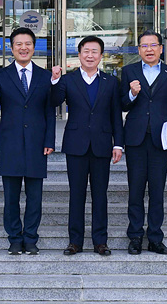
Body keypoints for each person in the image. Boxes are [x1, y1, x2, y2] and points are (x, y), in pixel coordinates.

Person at [0, 26, 64, 255]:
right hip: (9, 143)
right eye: (19, 44)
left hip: (36, 143)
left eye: (28, 44)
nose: (23, 48)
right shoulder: (1, 75)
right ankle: (14, 238)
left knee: (35, 197)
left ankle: (31, 237)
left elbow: (50, 110)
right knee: (11, 197)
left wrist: (49, 140)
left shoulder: (44, 76)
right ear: (11, 48)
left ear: (34, 47)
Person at [53, 36, 124, 256]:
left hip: (102, 144)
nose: (90, 55)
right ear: (79, 54)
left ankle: (100, 241)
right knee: (76, 194)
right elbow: (53, 101)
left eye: (94, 51)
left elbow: (116, 115)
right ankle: (75, 241)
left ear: (101, 56)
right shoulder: (68, 80)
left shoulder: (111, 82)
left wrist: (118, 144)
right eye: (86, 51)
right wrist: (54, 80)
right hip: (76, 144)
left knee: (100, 195)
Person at [119, 30, 167, 255]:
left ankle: (155, 237)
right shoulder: (129, 71)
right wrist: (131, 93)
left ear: (161, 48)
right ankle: (135, 236)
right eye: (144, 46)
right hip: (135, 138)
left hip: (161, 139)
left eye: (153, 45)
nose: (149, 49)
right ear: (138, 50)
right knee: (135, 190)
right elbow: (122, 104)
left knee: (157, 190)